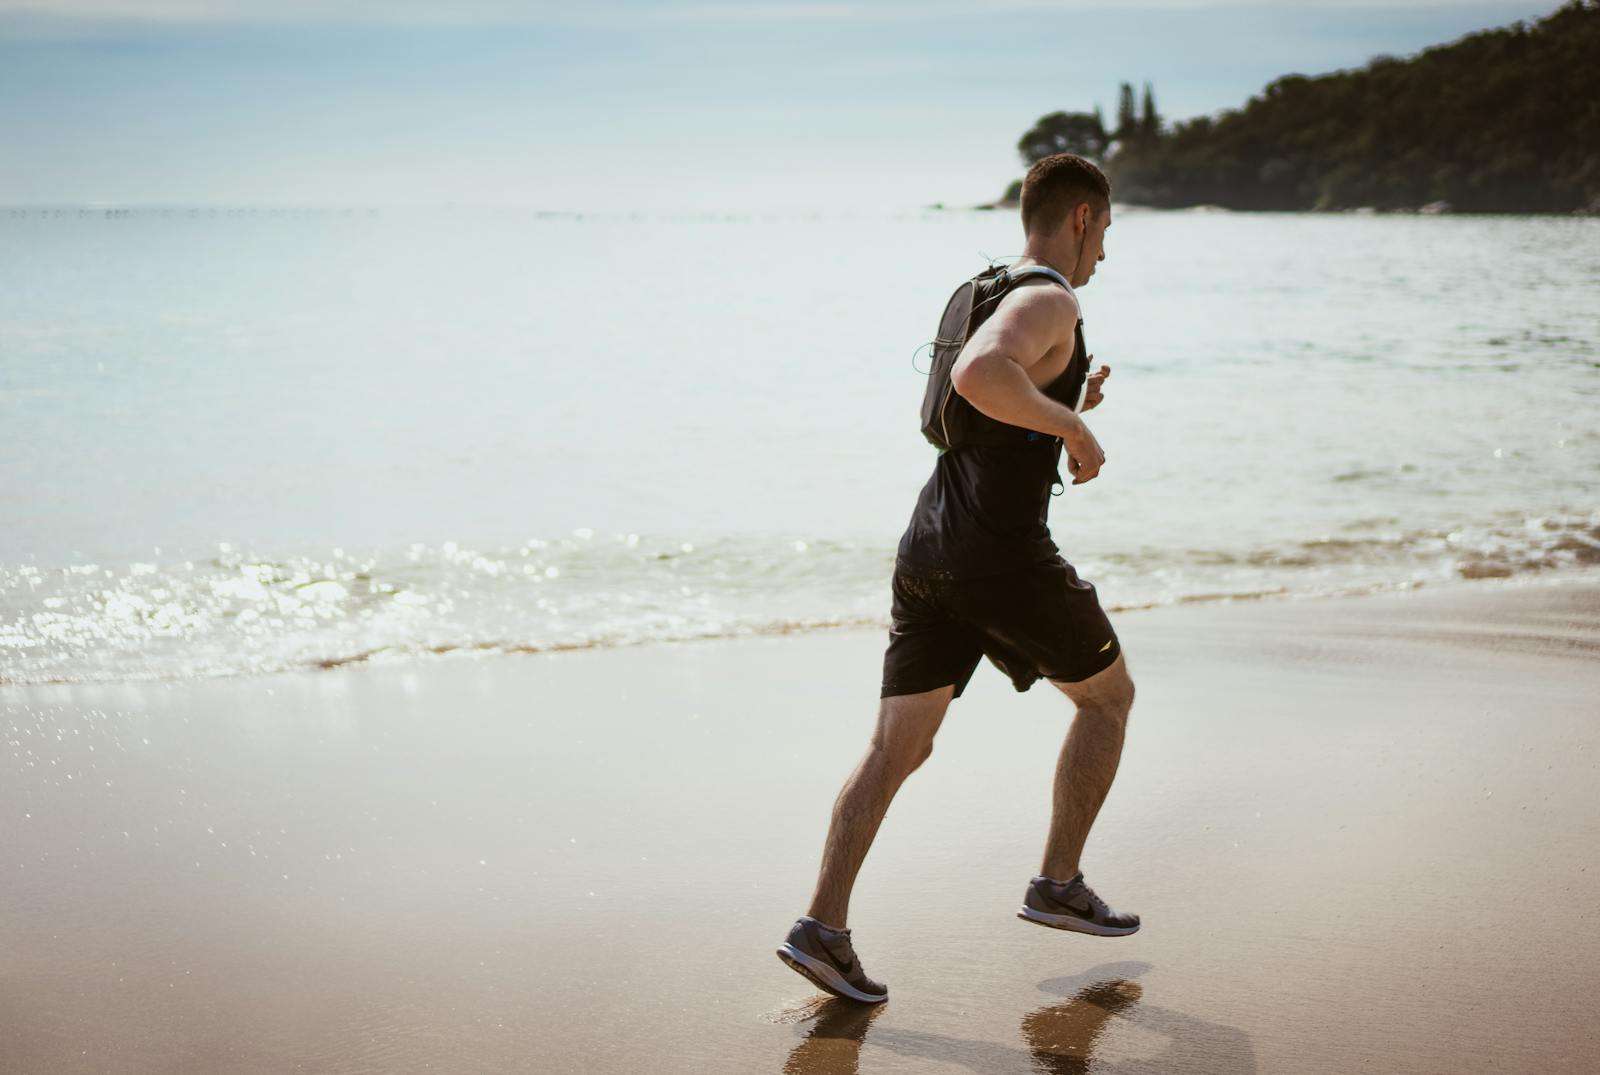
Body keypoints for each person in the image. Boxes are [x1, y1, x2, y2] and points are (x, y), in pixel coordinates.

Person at [776, 154, 1138, 1004]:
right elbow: (980, 376)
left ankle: (821, 927)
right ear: (1081, 218)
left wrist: (1058, 400)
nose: (1105, 255)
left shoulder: (983, 288)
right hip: (999, 556)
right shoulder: (1052, 297)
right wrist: (1073, 430)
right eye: (1107, 233)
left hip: (929, 548)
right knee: (1108, 699)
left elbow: (973, 410)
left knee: (897, 747)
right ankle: (1058, 881)